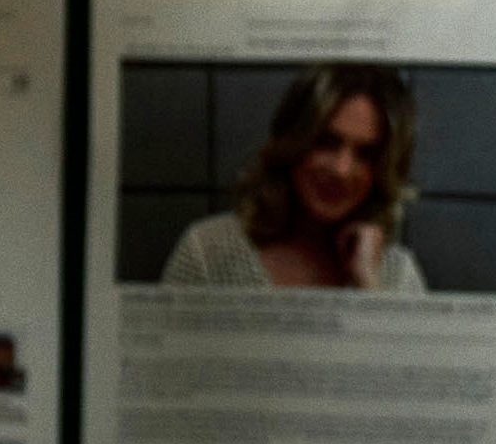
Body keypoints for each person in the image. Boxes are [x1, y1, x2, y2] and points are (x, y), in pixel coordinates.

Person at [161, 65, 431, 292]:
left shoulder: (397, 275)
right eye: (326, 142)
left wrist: (367, 287)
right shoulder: (207, 252)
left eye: (366, 155)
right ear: (293, 142)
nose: (341, 169)